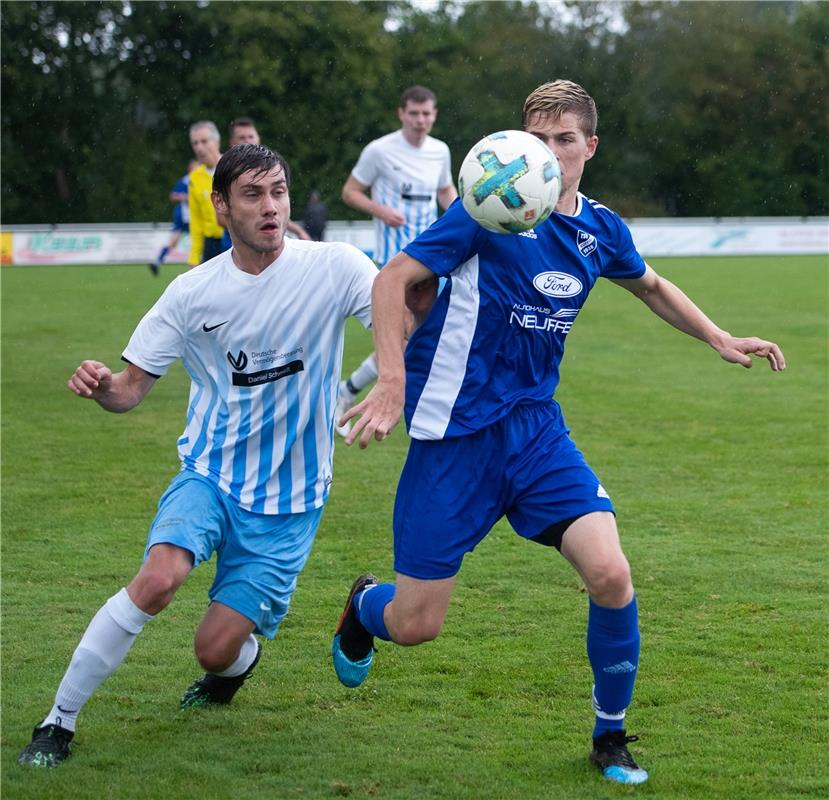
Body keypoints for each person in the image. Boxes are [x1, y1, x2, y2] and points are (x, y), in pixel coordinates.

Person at [330, 80, 786, 786]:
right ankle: (364, 606)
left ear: (588, 148)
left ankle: (609, 736)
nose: (546, 156)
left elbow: (651, 285)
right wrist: (389, 381)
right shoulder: (487, 212)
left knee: (610, 572)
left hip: (537, 432)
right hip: (454, 437)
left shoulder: (599, 229)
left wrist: (718, 336)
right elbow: (392, 280)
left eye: (563, 141)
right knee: (416, 623)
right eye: (536, 141)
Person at [18, 143, 378, 769]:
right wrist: (104, 387)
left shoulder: (337, 267)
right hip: (209, 476)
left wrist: (398, 374)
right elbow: (129, 390)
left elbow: (402, 319)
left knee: (214, 652)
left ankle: (233, 669)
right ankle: (58, 722)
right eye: (253, 195)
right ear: (220, 207)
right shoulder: (191, 294)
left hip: (290, 504)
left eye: (279, 192)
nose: (271, 208)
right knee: (158, 579)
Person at [335, 85, 457, 437]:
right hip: (393, 263)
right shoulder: (380, 150)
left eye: (427, 114)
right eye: (414, 113)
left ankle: (358, 394)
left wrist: (470, 219)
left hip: (431, 262)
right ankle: (349, 393)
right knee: (401, 338)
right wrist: (381, 210)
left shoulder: (440, 151)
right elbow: (350, 192)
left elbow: (445, 191)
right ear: (401, 113)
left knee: (423, 339)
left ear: (434, 115)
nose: (421, 120)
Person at [228, 117, 311, 241]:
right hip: (229, 238)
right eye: (242, 138)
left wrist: (298, 231)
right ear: (232, 143)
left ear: (258, 139)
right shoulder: (225, 172)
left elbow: (274, 207)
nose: (247, 141)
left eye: (251, 137)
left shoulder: (271, 168)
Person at [187, 120, 231, 267]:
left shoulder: (233, 167)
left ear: (217, 142)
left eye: (204, 141)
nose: (199, 147)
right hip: (210, 245)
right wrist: (194, 257)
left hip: (234, 239)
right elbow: (196, 220)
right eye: (195, 143)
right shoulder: (194, 178)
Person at [148, 159, 199, 276]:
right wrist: (185, 197)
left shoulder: (201, 179)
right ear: (190, 169)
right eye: (194, 168)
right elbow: (173, 196)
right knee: (175, 241)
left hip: (196, 217)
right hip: (183, 216)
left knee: (196, 243)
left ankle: (196, 268)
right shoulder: (185, 181)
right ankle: (158, 262)